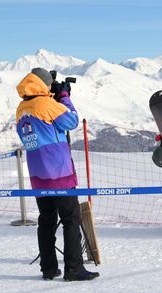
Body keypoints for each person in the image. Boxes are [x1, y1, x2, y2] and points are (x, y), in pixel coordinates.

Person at [15, 67, 99, 281]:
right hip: (58, 171)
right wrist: (64, 97)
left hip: (37, 172)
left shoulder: (22, 108)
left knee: (46, 220)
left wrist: (54, 97)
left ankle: (49, 268)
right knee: (71, 219)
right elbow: (71, 120)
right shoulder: (46, 104)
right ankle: (73, 268)